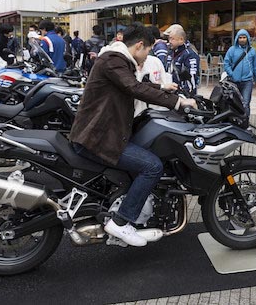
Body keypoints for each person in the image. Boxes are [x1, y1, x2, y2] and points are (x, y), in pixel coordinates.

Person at [69, 23, 196, 247]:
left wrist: (162, 89)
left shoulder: (116, 61)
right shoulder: (113, 60)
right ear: (139, 46)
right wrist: (177, 102)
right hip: (98, 138)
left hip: (104, 132)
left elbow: (135, 86)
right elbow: (134, 88)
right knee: (152, 166)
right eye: (148, 51)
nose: (148, 56)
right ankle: (121, 221)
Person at [134, 26, 177, 116]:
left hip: (156, 114)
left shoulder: (155, 62)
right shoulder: (124, 66)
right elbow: (137, 88)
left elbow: (164, 85)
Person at [224, 29, 256, 117]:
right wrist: (231, 74)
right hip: (234, 82)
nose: (242, 39)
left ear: (247, 38)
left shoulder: (252, 51)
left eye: (244, 37)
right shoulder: (232, 50)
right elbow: (226, 64)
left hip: (247, 81)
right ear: (237, 38)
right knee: (234, 103)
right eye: (240, 37)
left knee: (246, 103)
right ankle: (235, 122)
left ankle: (245, 123)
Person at [166, 25, 200, 96]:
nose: (170, 42)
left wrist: (186, 95)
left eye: (172, 39)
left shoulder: (190, 54)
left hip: (184, 94)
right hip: (171, 91)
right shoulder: (171, 52)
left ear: (181, 40)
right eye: (169, 39)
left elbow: (192, 76)